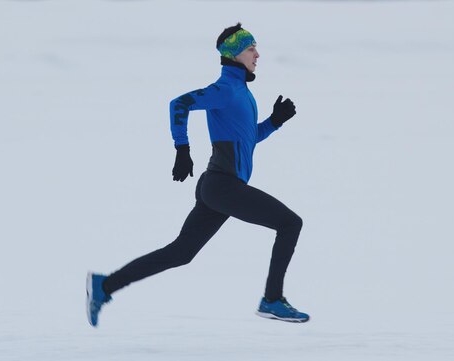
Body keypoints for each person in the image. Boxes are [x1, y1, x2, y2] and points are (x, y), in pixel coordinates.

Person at [86, 23, 309, 327]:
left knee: (181, 252)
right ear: (233, 54)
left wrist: (274, 122)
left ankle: (104, 286)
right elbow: (178, 104)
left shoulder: (241, 92)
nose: (258, 53)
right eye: (250, 48)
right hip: (223, 186)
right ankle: (272, 299)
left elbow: (247, 138)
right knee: (289, 223)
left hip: (218, 186)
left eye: (256, 47)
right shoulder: (225, 90)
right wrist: (182, 149)